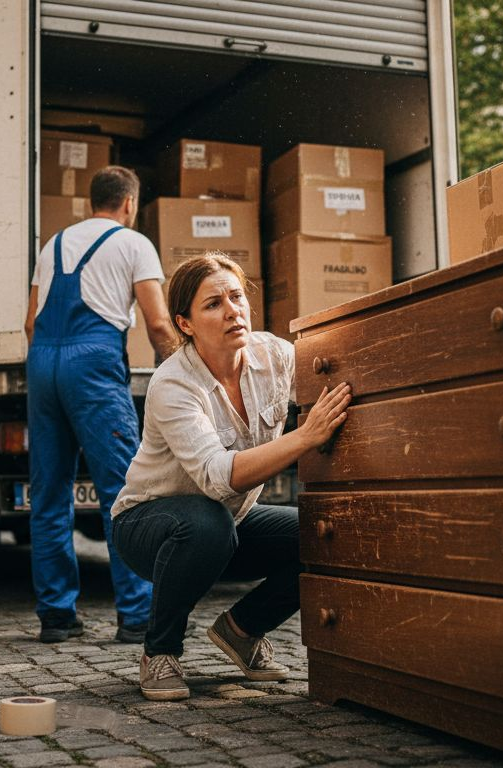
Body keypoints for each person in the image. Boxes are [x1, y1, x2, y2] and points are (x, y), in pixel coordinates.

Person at [109, 253, 352, 700]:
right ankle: (160, 652)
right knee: (206, 523)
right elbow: (216, 478)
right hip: (147, 525)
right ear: (185, 323)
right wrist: (305, 437)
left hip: (229, 522)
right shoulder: (174, 384)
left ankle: (242, 630)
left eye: (237, 297)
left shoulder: (273, 355)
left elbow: (333, 375)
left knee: (323, 533)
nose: (232, 311)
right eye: (213, 304)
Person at [24, 165, 177, 644]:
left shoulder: (53, 245)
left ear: (92, 201)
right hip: (92, 364)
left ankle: (56, 617)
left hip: (42, 363)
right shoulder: (134, 244)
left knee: (49, 493)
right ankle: (136, 616)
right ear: (129, 203)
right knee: (123, 493)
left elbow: (29, 322)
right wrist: (183, 373)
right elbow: (157, 323)